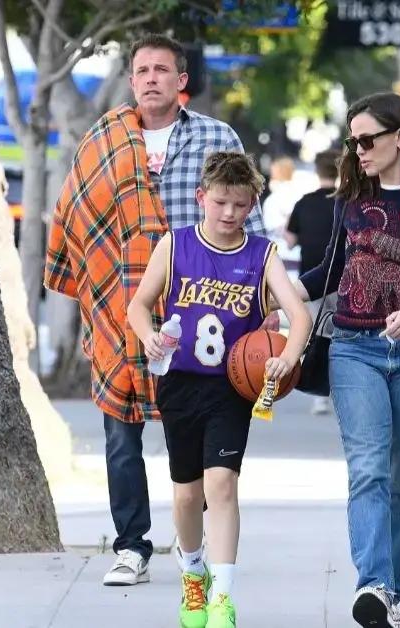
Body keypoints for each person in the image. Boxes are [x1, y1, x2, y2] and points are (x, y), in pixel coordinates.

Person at [44, 33, 266, 587]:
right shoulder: (103, 139)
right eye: (141, 69)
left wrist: (264, 316)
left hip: (202, 312)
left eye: (161, 70)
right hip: (125, 304)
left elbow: (250, 225)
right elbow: (75, 212)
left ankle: (200, 546)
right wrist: (97, 286)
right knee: (120, 430)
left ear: (180, 79)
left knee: (194, 448)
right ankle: (131, 546)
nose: (149, 78)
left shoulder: (217, 136)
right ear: (131, 79)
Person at [293, 92, 400, 628]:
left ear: (399, 137)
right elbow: (330, 267)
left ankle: (390, 591)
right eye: (353, 140)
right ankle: (371, 583)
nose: (358, 149)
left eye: (366, 139)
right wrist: (276, 294)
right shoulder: (351, 195)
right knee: (368, 470)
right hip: (353, 348)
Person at [127, 151, 311, 628]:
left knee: (221, 485)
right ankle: (193, 574)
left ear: (253, 204)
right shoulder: (175, 245)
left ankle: (222, 597)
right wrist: (149, 336)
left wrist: (286, 359)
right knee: (187, 497)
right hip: (181, 383)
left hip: (232, 388)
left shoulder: (262, 254)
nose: (230, 214)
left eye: (240, 205)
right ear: (201, 198)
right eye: (221, 203)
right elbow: (139, 306)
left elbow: (300, 315)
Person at [284, 149, 341, 415]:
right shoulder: (346, 203)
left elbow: (290, 239)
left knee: (318, 334)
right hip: (343, 279)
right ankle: (341, 385)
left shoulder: (304, 202)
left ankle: (321, 391)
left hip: (312, 280)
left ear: (317, 172)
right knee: (340, 334)